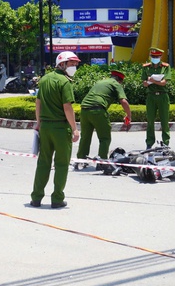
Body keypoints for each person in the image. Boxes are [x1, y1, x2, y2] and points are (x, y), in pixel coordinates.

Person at [30, 51, 81, 209]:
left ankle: (36, 197)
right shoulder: (64, 82)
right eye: (72, 64)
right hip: (60, 128)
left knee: (43, 162)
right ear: (62, 64)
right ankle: (57, 198)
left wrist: (39, 123)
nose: (74, 67)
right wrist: (75, 129)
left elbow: (38, 104)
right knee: (61, 164)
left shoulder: (44, 79)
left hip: (45, 127)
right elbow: (67, 107)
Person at [77, 70, 132, 161]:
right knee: (105, 138)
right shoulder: (116, 84)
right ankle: (102, 162)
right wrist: (129, 115)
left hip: (84, 110)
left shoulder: (101, 82)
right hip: (98, 110)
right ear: (120, 80)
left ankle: (80, 160)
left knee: (85, 137)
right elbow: (123, 101)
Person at [141, 47, 172, 148]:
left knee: (165, 120)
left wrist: (153, 80)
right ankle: (149, 143)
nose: (155, 58)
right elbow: (144, 84)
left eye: (157, 56)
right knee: (150, 121)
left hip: (162, 96)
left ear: (161, 56)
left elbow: (164, 83)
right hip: (151, 96)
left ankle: (166, 142)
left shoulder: (165, 67)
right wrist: (149, 82)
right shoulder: (146, 67)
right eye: (153, 56)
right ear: (150, 56)